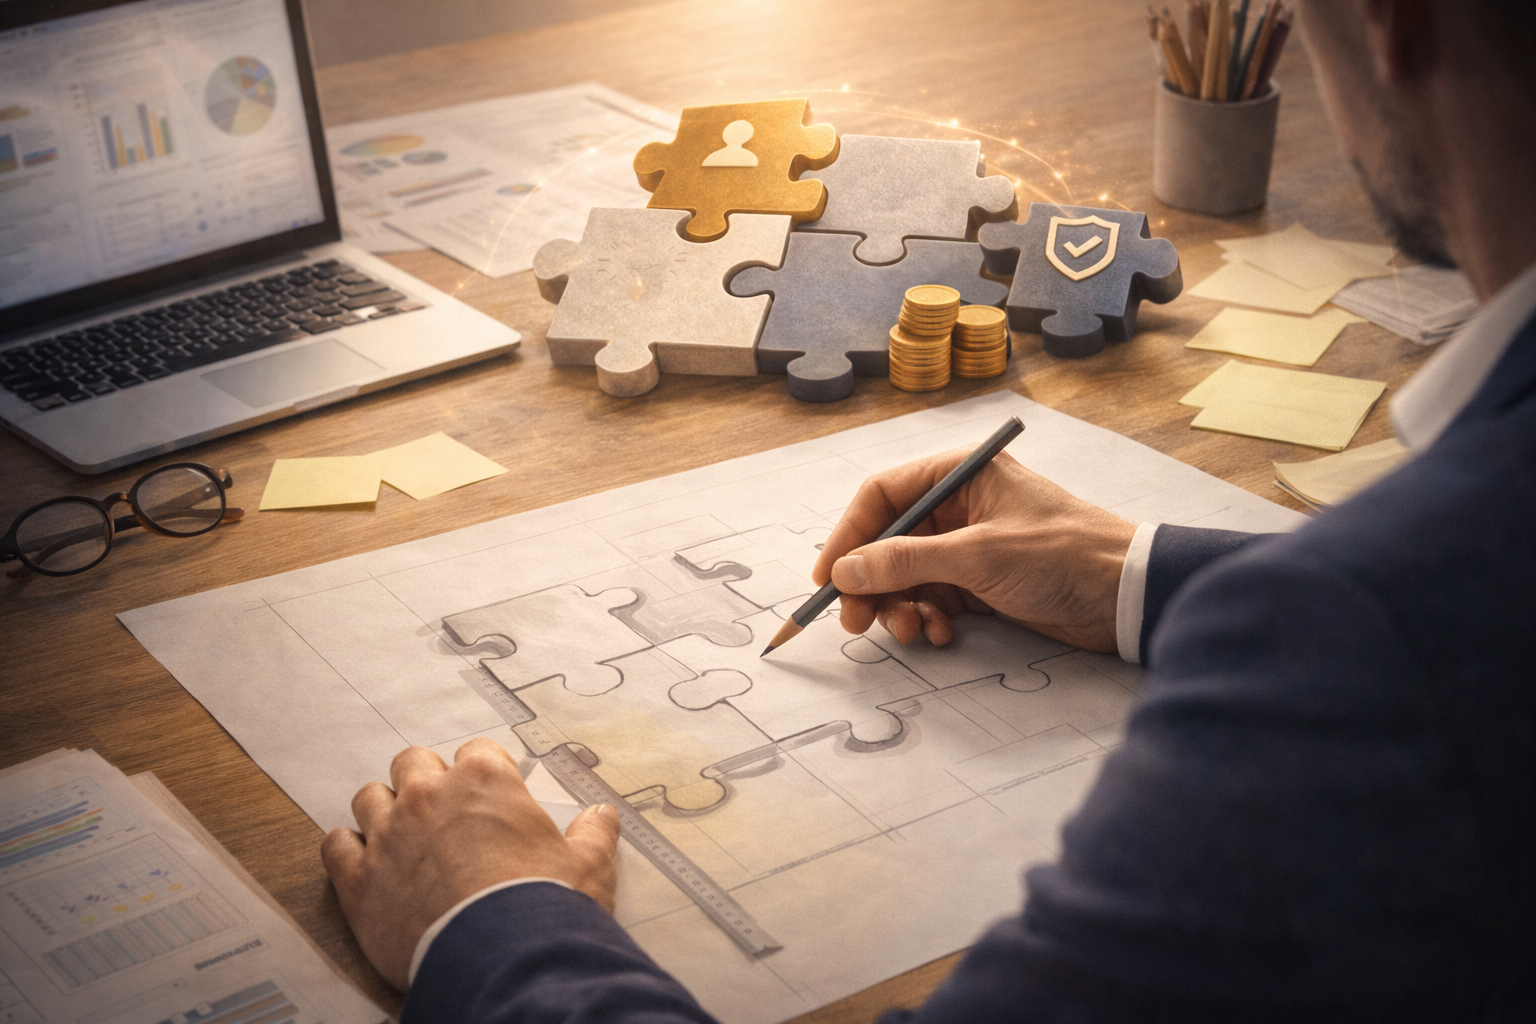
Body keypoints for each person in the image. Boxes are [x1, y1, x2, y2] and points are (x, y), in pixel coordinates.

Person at [319, 0, 1536, 1018]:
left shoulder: (1368, 652)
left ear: (1392, 24)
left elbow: (1422, 639)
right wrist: (1134, 572)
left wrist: (491, 926)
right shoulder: (1422, 610)